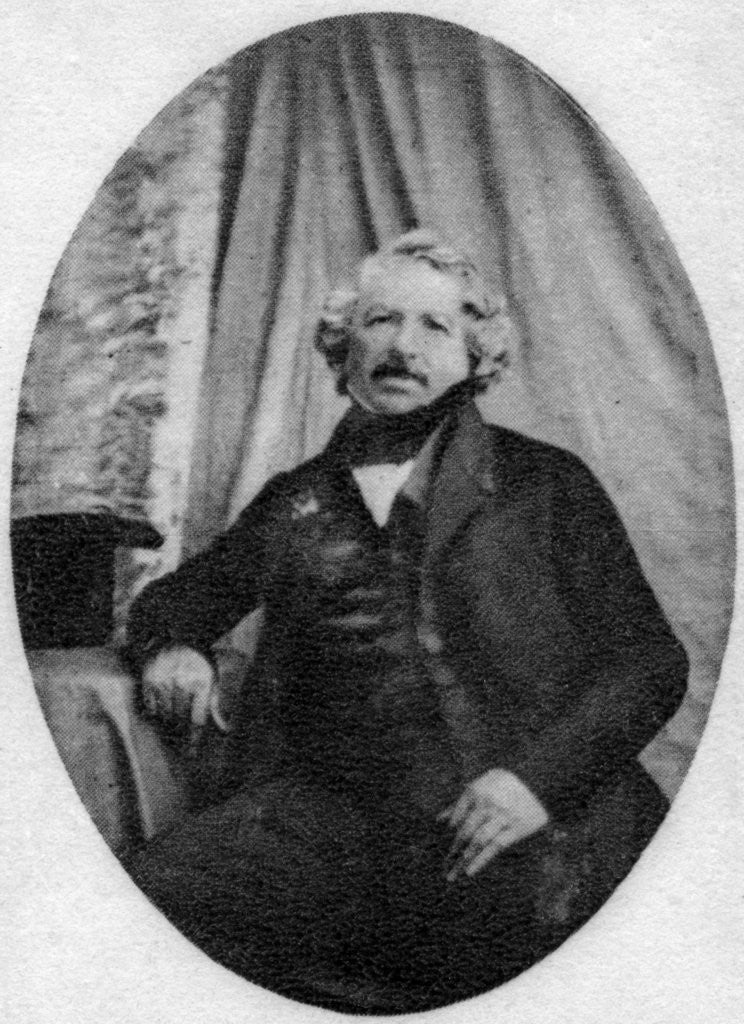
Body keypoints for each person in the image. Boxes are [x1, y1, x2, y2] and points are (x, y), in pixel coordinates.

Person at [124, 230, 688, 1013]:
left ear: (473, 355)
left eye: (434, 327)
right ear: (343, 346)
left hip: (536, 813)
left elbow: (649, 664)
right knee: (144, 909)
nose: (402, 347)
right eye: (381, 320)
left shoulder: (546, 484)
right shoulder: (296, 501)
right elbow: (175, 601)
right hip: (340, 819)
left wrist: (535, 784)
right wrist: (171, 646)